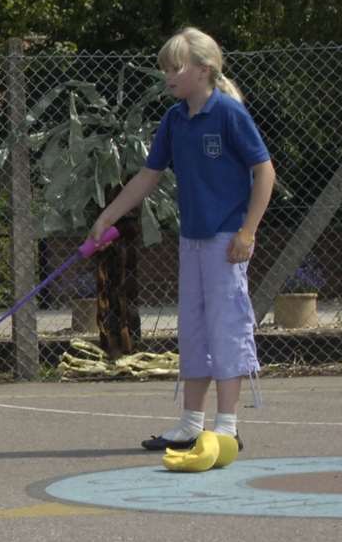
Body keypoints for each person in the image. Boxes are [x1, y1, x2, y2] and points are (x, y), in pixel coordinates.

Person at [88, 27, 275, 452]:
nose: (168, 76)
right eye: (165, 69)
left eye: (176, 67)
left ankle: (226, 426)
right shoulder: (175, 119)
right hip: (191, 239)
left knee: (225, 326)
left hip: (226, 240)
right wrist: (107, 216)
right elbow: (148, 177)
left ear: (204, 70)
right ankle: (192, 423)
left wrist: (248, 231)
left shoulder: (229, 113)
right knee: (193, 328)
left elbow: (265, 171)